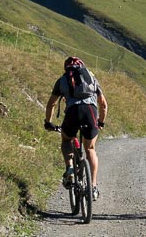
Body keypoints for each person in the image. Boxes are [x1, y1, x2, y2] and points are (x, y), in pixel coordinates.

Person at [44, 56, 108, 201]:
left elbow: (51, 104)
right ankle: (93, 186)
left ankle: (70, 168)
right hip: (90, 112)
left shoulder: (62, 80)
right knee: (90, 149)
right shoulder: (91, 76)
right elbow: (103, 104)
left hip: (73, 112)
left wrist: (48, 122)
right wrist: (101, 122)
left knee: (66, 140)